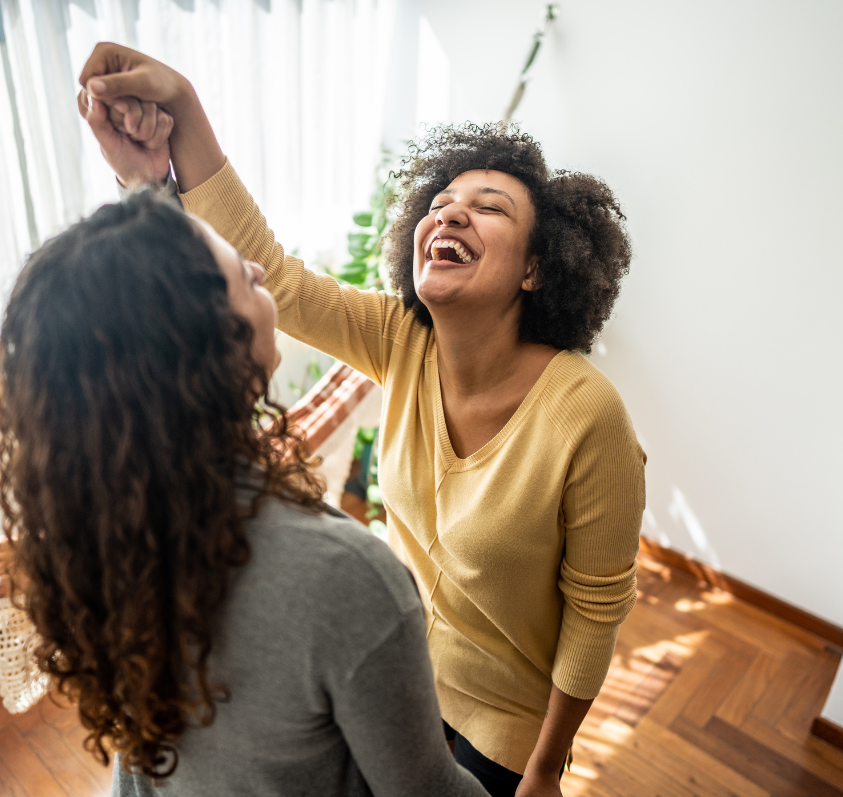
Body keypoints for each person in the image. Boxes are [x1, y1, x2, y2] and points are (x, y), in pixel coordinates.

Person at [78, 42, 646, 797]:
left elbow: (596, 613)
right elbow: (277, 277)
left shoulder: (588, 415)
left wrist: (545, 768)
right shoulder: (400, 338)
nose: (451, 212)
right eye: (441, 203)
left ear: (537, 269)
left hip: (508, 723)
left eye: (489, 207)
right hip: (394, 676)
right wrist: (182, 110)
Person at [0, 162, 488, 796]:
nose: (258, 270)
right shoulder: (348, 582)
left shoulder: (98, 535)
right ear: (200, 346)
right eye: (239, 274)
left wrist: (148, 179)